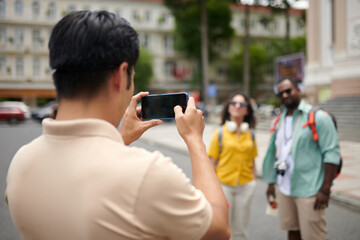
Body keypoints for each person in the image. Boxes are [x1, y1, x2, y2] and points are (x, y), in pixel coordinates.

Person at [5, 11, 230, 240]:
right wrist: (194, 140)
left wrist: (119, 139)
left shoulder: (21, 163)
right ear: (121, 76)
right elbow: (219, 228)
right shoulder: (147, 174)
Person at [262, 78, 340, 240]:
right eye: (280, 93)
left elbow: (332, 154)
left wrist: (325, 190)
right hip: (285, 188)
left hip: (310, 190)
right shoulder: (279, 119)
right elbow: (275, 152)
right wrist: (271, 182)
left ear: (299, 90)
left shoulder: (319, 117)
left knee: (314, 236)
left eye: (288, 90)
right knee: (292, 231)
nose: (284, 95)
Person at [207, 92, 258, 240]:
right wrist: (212, 189)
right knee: (224, 229)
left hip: (246, 185)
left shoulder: (251, 134)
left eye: (242, 104)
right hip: (224, 186)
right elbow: (211, 164)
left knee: (241, 229)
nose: (237, 106)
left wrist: (253, 182)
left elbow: (253, 162)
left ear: (247, 110)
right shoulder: (220, 133)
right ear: (228, 108)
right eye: (233, 103)